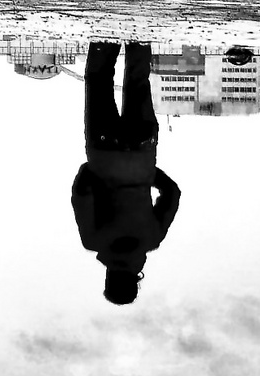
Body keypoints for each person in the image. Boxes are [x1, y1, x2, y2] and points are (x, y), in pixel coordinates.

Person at [71, 42, 180, 305]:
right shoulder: (94, 240)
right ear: (108, 278)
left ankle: (138, 40)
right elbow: (82, 195)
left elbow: (172, 194)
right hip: (104, 149)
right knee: (98, 82)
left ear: (136, 278)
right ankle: (104, 40)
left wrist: (147, 172)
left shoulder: (152, 239)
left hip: (141, 149)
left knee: (138, 83)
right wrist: (90, 169)